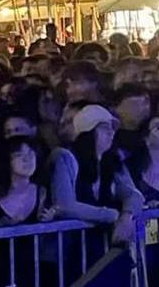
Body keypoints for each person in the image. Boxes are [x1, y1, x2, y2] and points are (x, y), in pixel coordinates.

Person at [50, 104, 142, 242]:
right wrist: (111, 215)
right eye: (105, 128)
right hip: (69, 248)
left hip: (100, 245)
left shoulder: (112, 161)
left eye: (113, 128)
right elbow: (65, 205)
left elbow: (133, 194)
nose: (111, 132)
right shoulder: (64, 157)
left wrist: (126, 216)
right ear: (88, 131)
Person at [0, 136, 55, 229]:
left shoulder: (41, 192)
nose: (27, 160)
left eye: (31, 153)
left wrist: (49, 220)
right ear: (7, 160)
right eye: (19, 155)